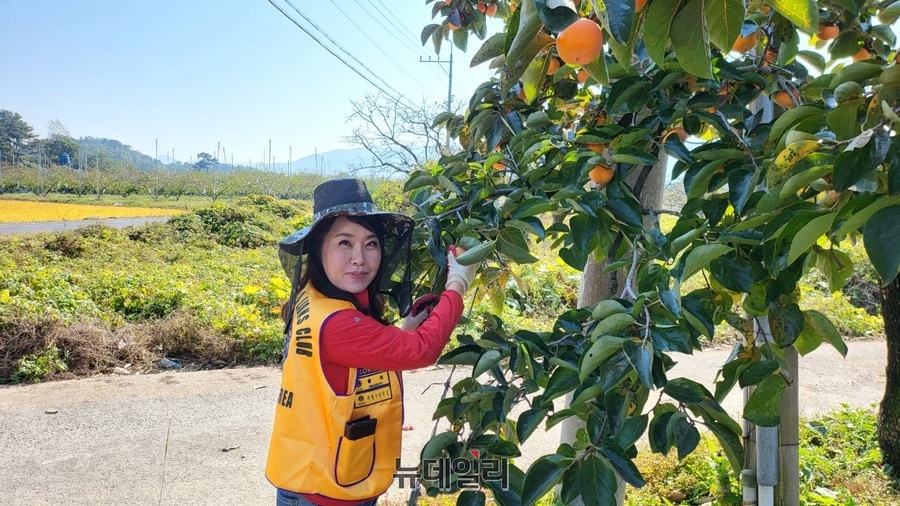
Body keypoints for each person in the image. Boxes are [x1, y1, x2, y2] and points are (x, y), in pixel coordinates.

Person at [266, 179, 477, 506]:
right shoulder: (337, 323)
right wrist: (457, 285)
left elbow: (352, 357)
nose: (359, 259)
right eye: (345, 243)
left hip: (312, 470)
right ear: (319, 250)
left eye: (371, 244)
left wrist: (404, 329)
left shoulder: (316, 298)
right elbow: (421, 351)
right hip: (326, 489)